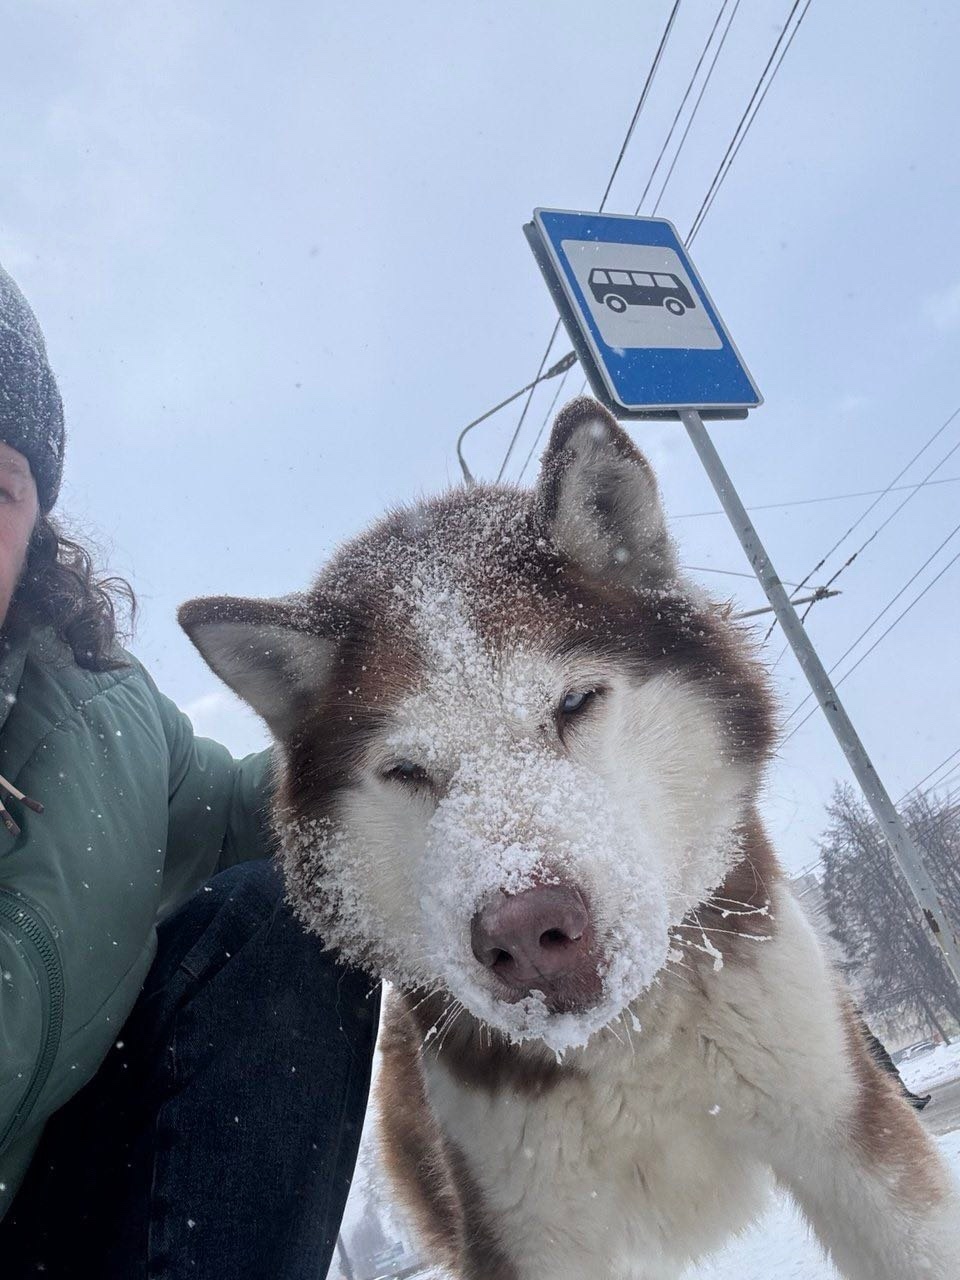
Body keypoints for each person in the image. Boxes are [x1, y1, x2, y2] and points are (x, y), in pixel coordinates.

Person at [0, 264, 379, 1279]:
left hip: (43, 1217)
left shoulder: (101, 714)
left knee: (282, 912)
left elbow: (251, 811)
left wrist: (394, 724)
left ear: (36, 526)